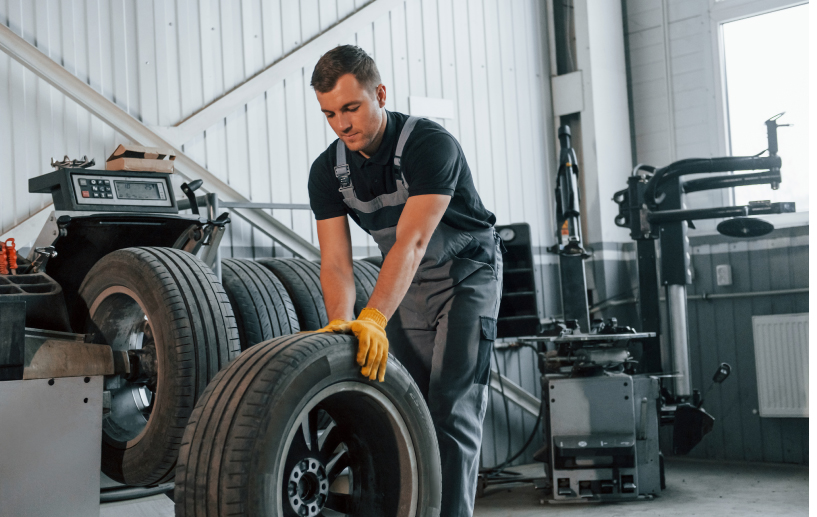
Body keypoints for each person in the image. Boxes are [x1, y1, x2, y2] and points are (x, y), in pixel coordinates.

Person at [308, 45, 503, 516]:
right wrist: (343, 323)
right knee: (400, 411)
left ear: (380, 93)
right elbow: (335, 261)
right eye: (330, 113)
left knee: (451, 411)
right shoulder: (326, 172)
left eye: (351, 108)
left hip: (467, 278)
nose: (342, 124)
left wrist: (373, 317)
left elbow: (413, 243)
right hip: (406, 288)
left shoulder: (430, 145)